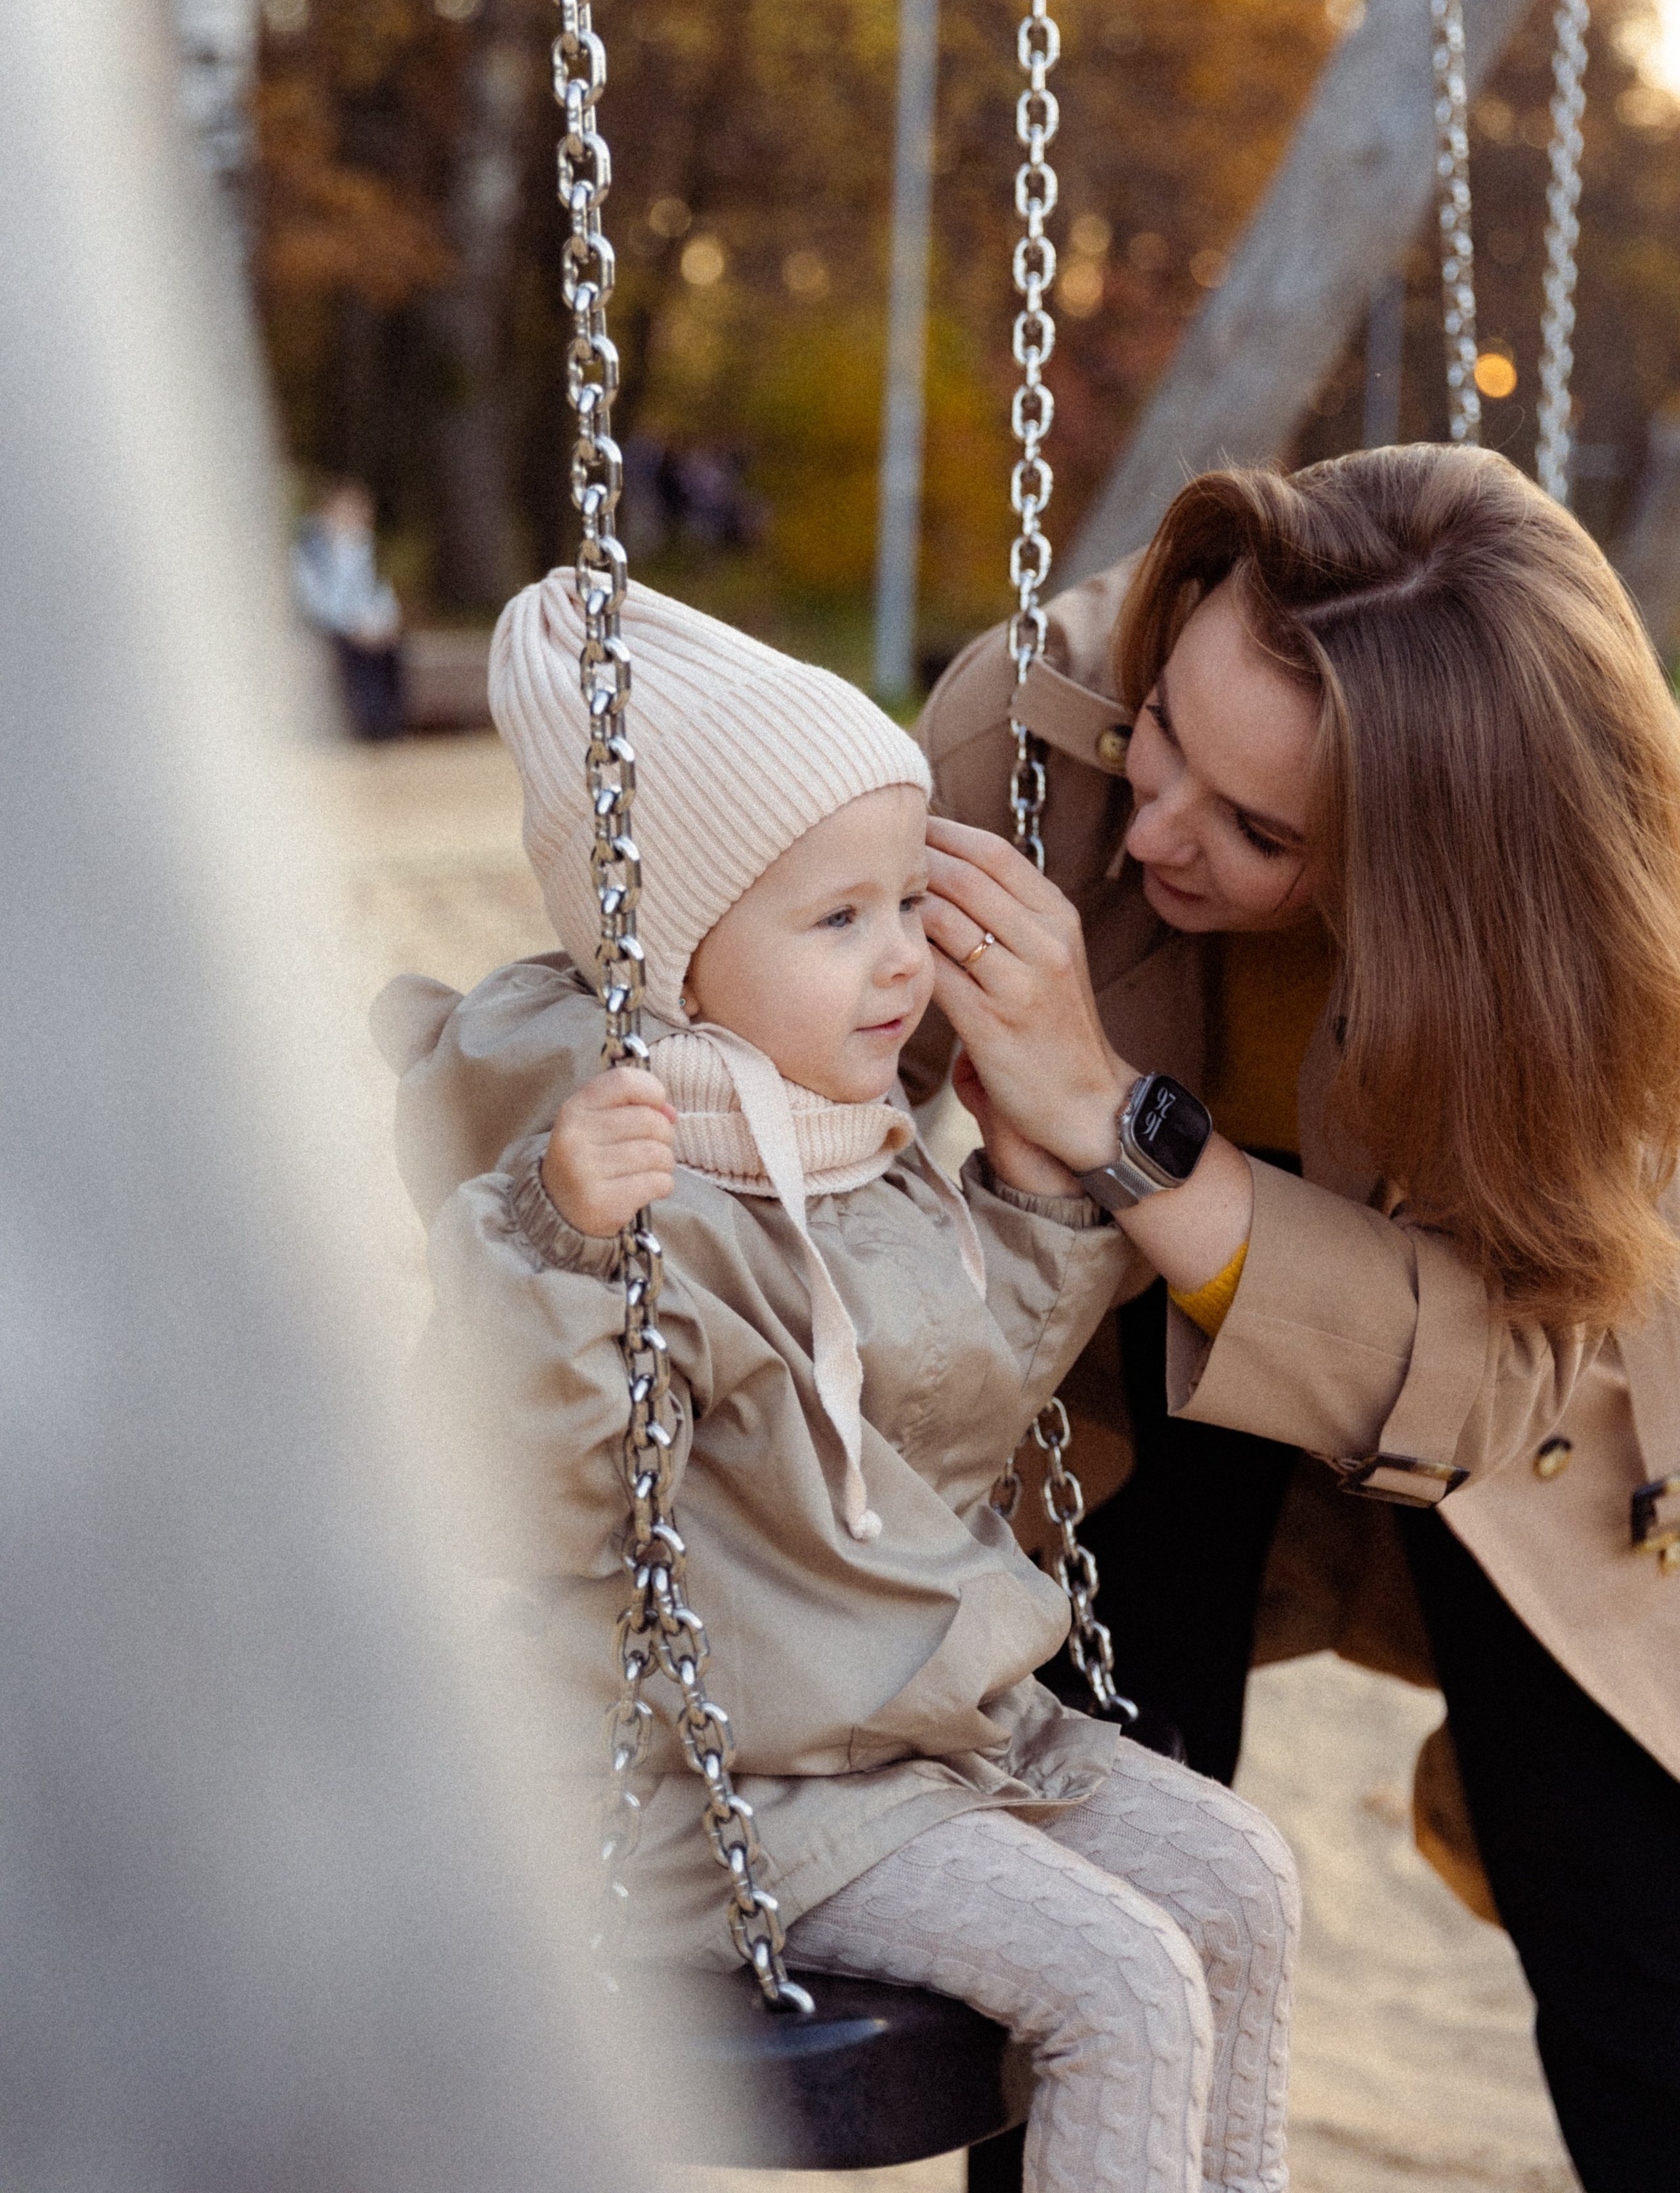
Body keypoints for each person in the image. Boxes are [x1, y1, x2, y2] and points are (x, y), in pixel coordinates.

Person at [374, 575, 1298, 2193]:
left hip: (937, 1717)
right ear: (671, 952)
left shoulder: (836, 1137)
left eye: (900, 907)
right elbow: (523, 1489)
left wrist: (1026, 1200)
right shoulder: (629, 1176)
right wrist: (560, 1241)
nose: (899, 967)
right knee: (1120, 1982)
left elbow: (948, 1405)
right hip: (754, 1780)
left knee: (1238, 1878)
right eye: (834, 919)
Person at [908, 442, 1680, 2193]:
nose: (1164, 824)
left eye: (1262, 833)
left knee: (1622, 1907)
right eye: (1171, 727)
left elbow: (1499, 1377)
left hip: (1524, 1391)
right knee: (1108, 1870)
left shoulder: (1575, 919)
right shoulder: (1040, 726)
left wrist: (1113, 1116)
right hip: (1121, 1355)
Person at [293, 478, 406, 740]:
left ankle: (388, 726)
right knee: (349, 653)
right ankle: (361, 724)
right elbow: (315, 604)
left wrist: (383, 622)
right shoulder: (307, 553)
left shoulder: (369, 549)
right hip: (328, 631)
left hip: (366, 628)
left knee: (392, 649)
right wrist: (353, 625)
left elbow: (381, 594)